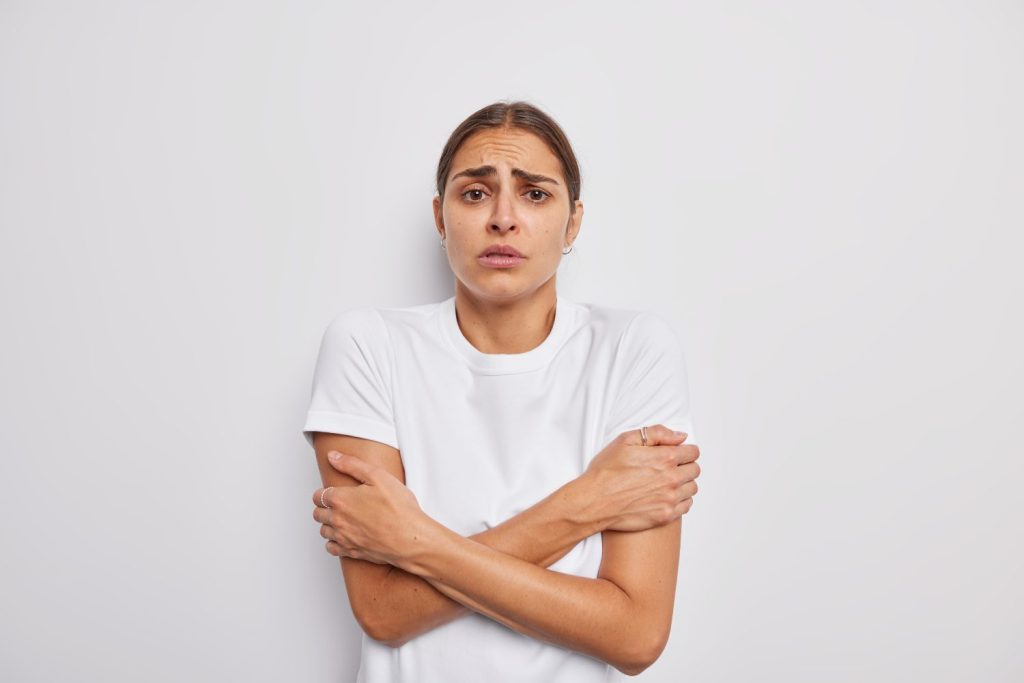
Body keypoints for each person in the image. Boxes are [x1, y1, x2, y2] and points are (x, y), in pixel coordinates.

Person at [303, 100, 702, 682]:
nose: (503, 218)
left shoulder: (632, 347)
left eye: (535, 194)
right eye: (474, 193)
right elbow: (384, 612)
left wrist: (414, 543)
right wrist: (588, 501)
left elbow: (637, 636)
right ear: (440, 217)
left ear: (573, 223)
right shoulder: (368, 345)